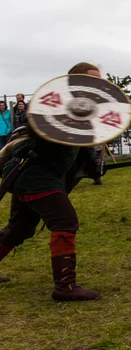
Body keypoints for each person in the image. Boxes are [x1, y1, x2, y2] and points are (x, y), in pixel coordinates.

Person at [0, 62, 104, 300]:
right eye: (94, 81)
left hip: (37, 176)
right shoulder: (56, 104)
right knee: (65, 222)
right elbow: (36, 124)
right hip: (34, 174)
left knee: (19, 229)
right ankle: (65, 287)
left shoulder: (82, 112)